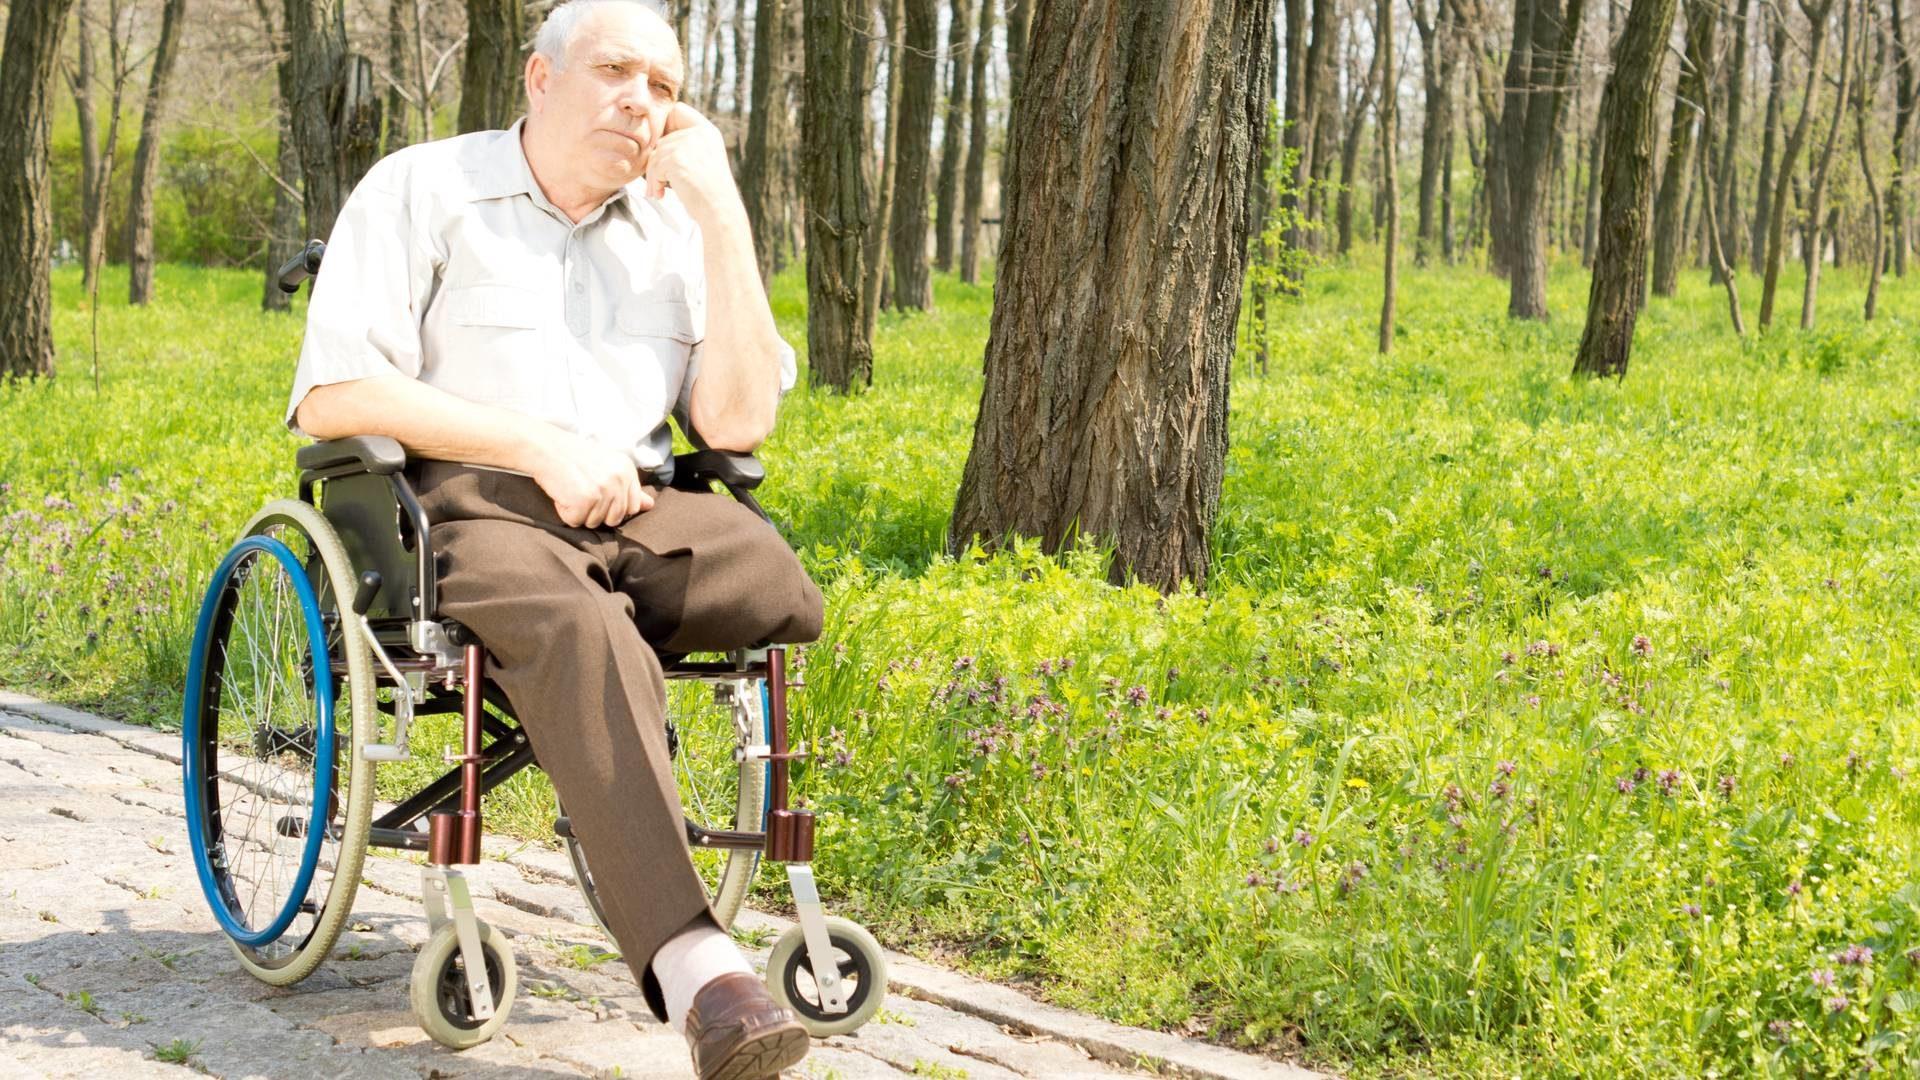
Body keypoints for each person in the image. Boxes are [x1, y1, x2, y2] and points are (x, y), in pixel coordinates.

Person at [284, 1, 818, 1077]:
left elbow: (738, 422)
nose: (642, 100)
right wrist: (538, 448)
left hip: (631, 502)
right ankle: (701, 972)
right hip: (465, 501)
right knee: (578, 628)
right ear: (538, 78)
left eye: (664, 86)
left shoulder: (674, 227)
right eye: (616, 70)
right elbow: (336, 394)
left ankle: (599, 703)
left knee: (776, 584)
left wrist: (722, 218)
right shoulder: (422, 189)